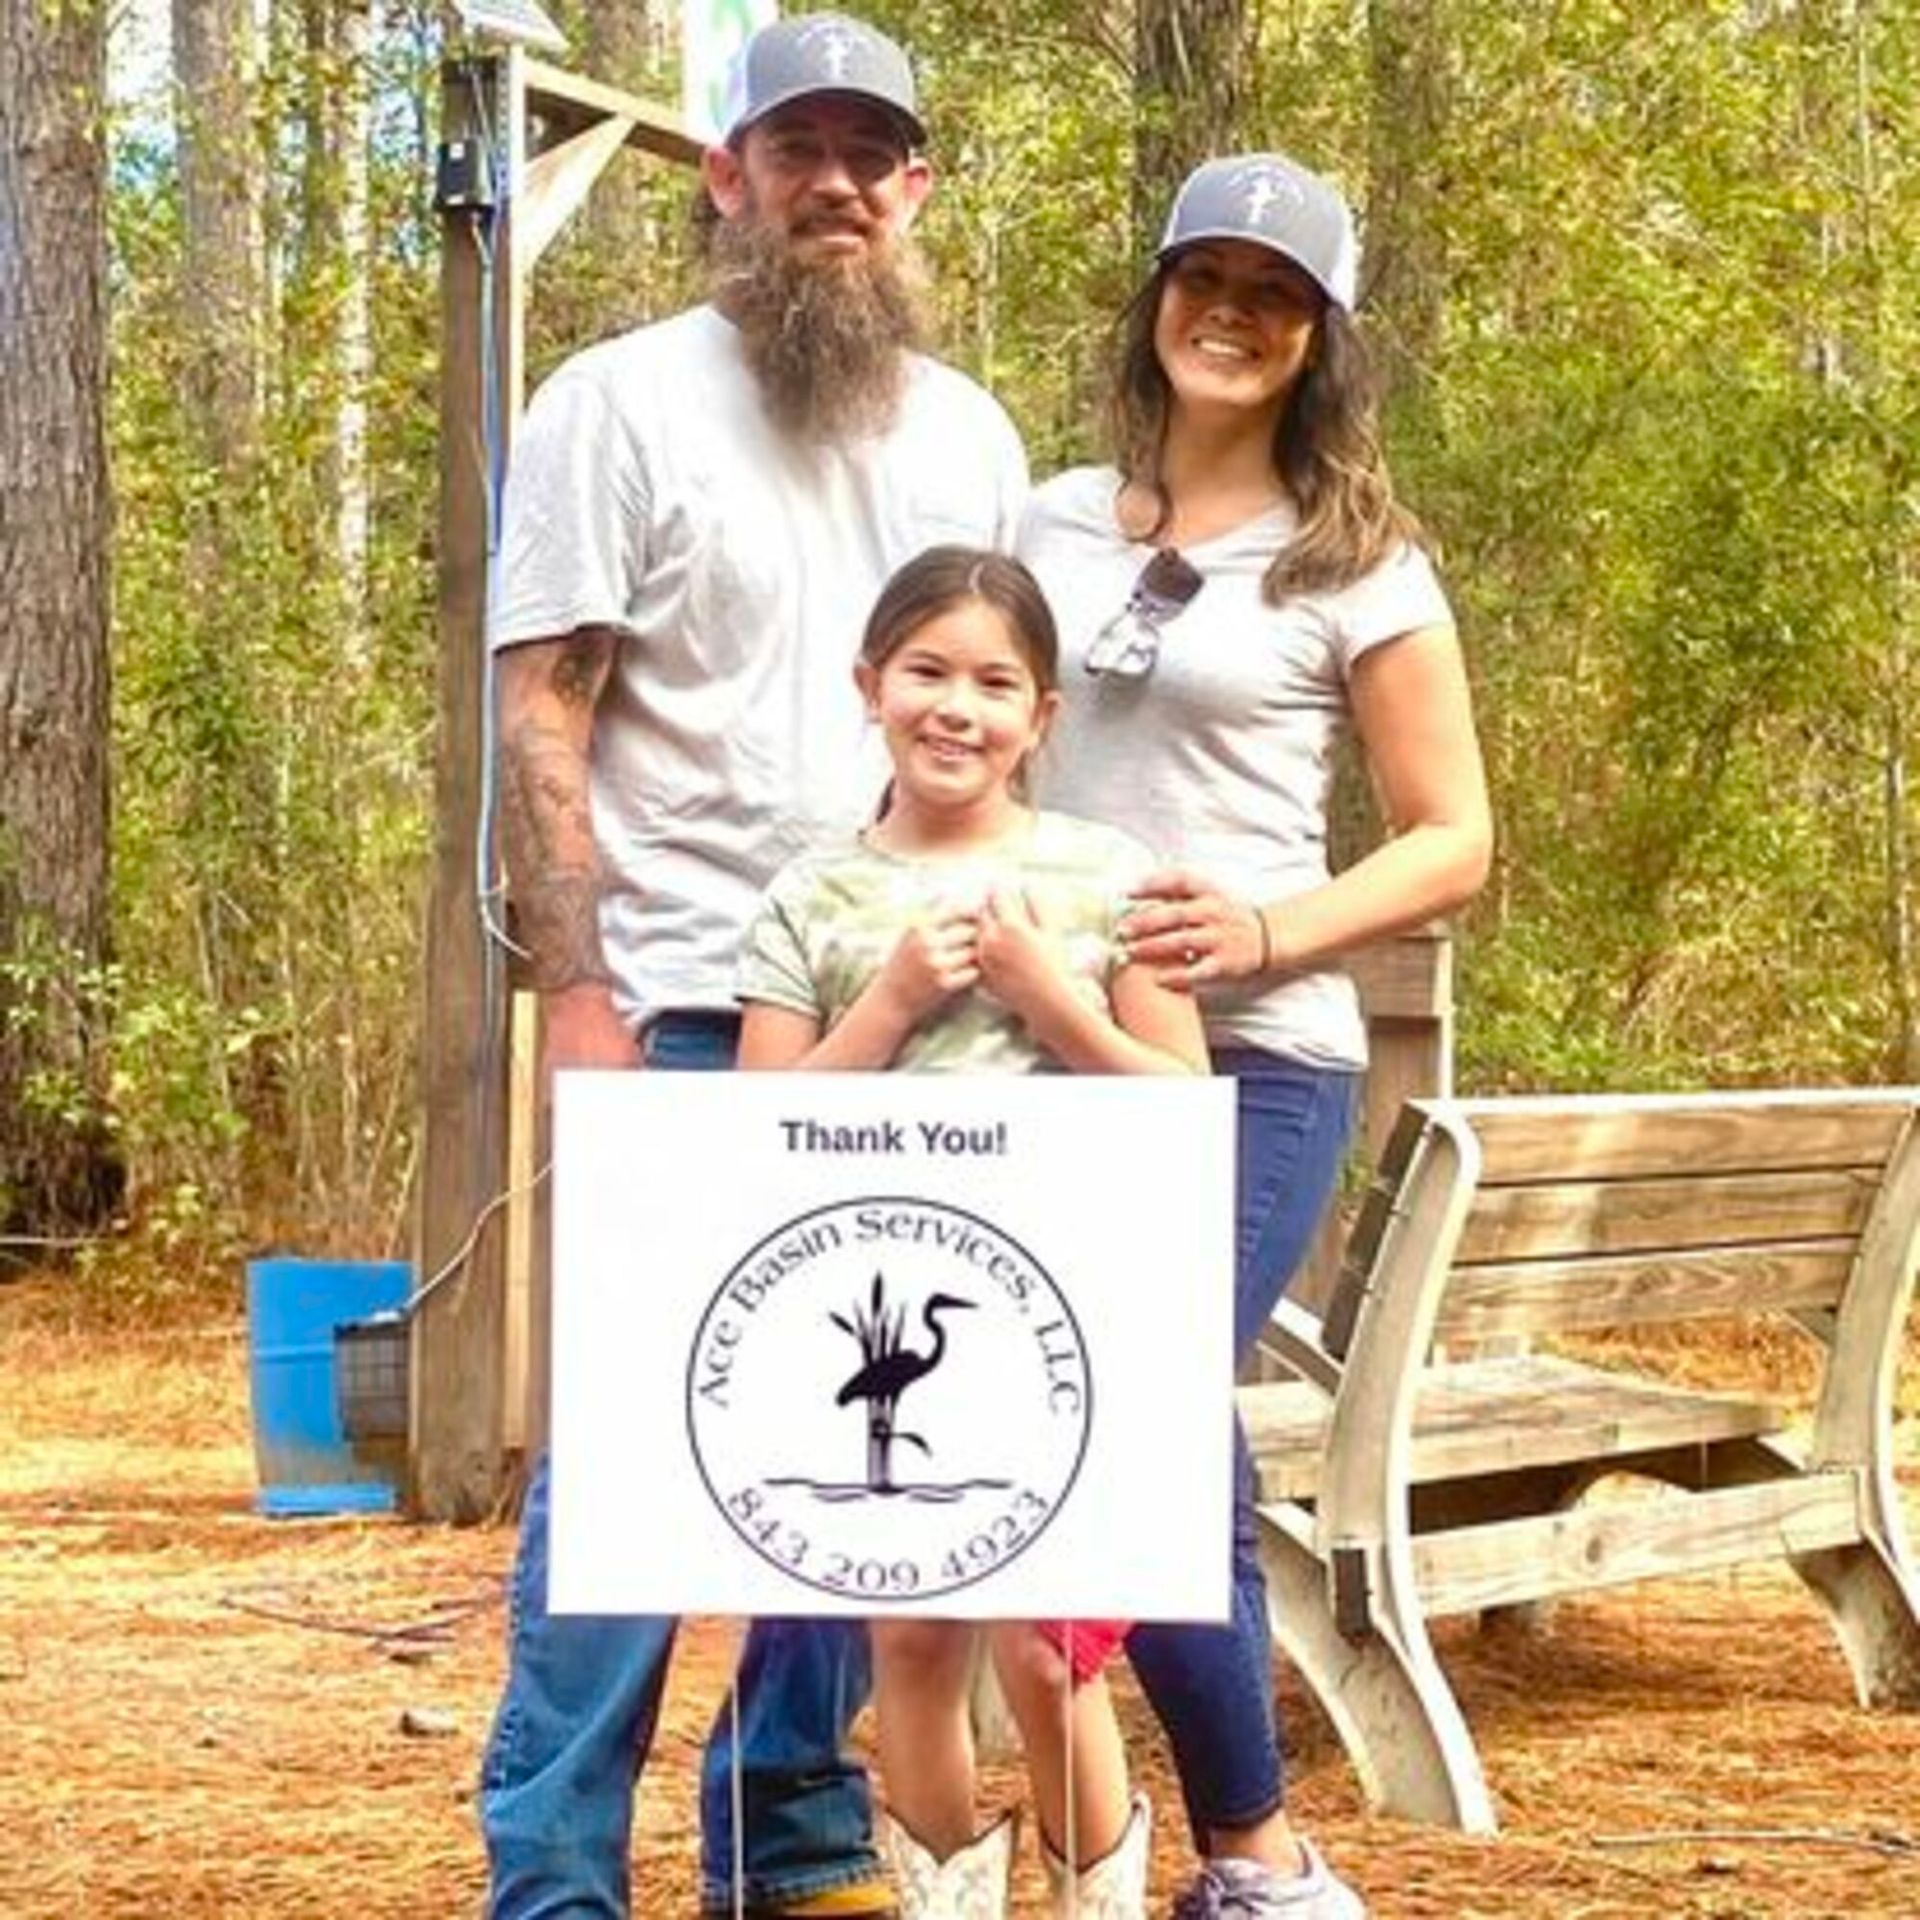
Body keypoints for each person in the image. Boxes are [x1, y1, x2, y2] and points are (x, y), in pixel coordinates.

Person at [478, 16, 1028, 1919]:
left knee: (856, 1452)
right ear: (729, 177)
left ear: (918, 191)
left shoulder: (969, 432)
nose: (842, 184)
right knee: (633, 1466)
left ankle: (781, 1834)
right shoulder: (613, 400)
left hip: (929, 1020)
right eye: (802, 146)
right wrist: (579, 1002)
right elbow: (544, 712)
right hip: (697, 1005)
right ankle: (551, 1872)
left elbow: (995, 714)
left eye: (878, 155)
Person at [1017, 153, 1494, 1919]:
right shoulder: (1051, 516)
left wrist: (1270, 928)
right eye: (1203, 275)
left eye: (1275, 292)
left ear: (1321, 338)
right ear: (1155, 300)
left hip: (1253, 1060)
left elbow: (1456, 835)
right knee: (1114, 1418)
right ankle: (1191, 1853)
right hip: (1033, 1042)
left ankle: (1253, 1856)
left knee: (1135, 1409)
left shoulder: (1355, 561)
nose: (1232, 311)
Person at [736, 546, 1208, 1919]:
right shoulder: (806, 900)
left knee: (1055, 1650)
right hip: (871, 1295)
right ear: (870, 687)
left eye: (996, 683)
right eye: (928, 672)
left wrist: (1055, 1002)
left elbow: (1182, 1109)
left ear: (1043, 716)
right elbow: (751, 1137)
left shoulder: (1108, 879)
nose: (959, 707)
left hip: (1071, 1308)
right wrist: (883, 1007)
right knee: (917, 1638)